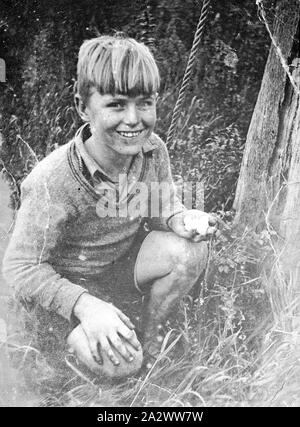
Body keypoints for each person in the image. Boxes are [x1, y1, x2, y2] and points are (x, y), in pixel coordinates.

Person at [2, 34, 217, 378]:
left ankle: (150, 338)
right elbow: (20, 268)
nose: (133, 119)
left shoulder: (152, 150)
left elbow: (162, 204)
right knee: (120, 365)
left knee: (190, 250)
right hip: (66, 291)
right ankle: (62, 356)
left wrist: (180, 218)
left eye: (144, 103)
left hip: (118, 271)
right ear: (83, 106)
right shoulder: (52, 180)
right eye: (116, 104)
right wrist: (84, 305)